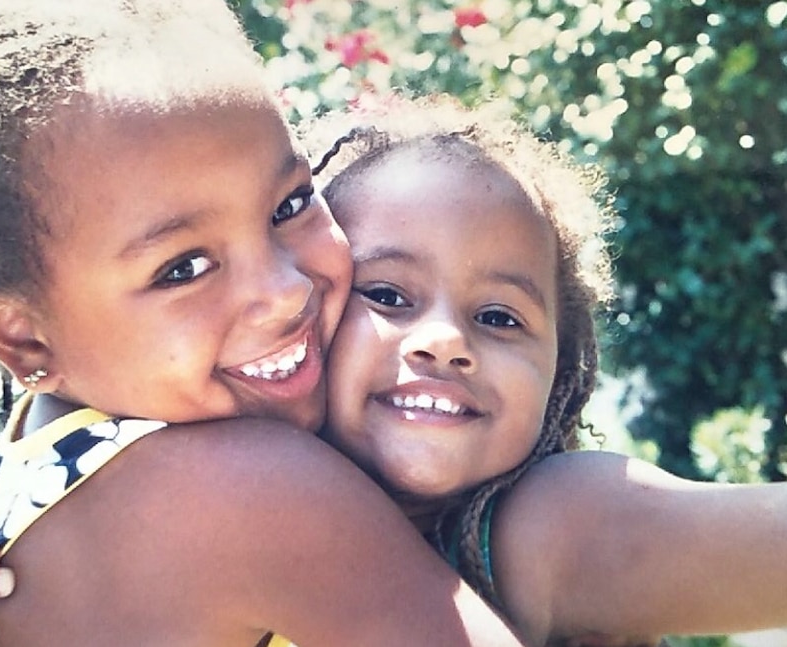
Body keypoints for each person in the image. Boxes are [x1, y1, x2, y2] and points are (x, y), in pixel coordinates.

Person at [0, 2, 526, 647]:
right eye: (183, 268)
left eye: (290, 204)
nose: (286, 290)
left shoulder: (24, 489)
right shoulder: (259, 487)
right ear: (19, 334)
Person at [303, 97, 787, 646]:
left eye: (498, 317)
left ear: (558, 376)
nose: (445, 341)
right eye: (387, 295)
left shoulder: (549, 526)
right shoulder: (232, 495)